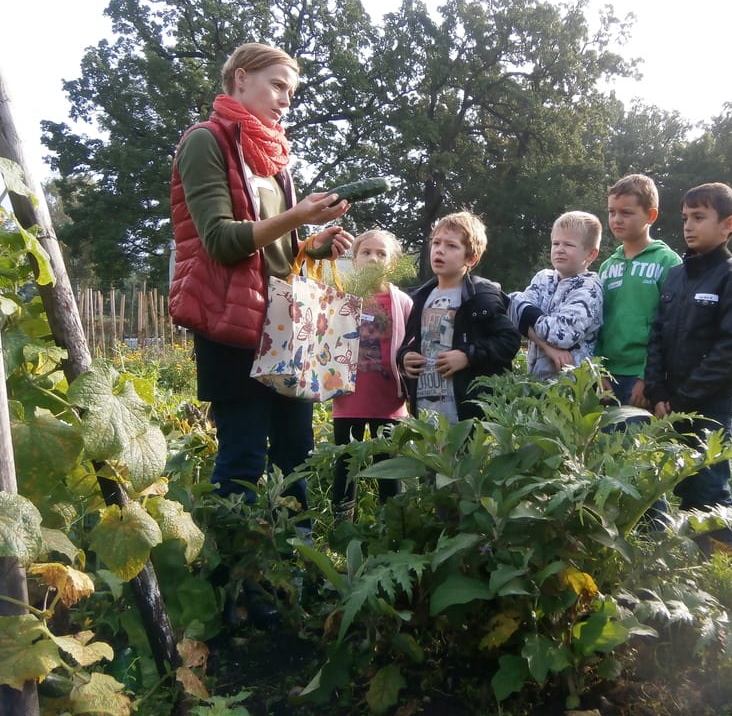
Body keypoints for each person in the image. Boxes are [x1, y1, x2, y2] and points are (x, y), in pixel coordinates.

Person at [169, 43, 352, 516]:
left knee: (295, 454)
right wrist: (295, 217)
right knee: (243, 460)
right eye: (277, 86)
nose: (285, 100)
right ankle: (242, 582)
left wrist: (312, 245)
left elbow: (275, 253)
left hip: (284, 327)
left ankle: (295, 568)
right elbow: (221, 242)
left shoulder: (273, 161)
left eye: (291, 92)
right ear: (241, 78)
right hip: (230, 325)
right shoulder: (204, 140)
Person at [643, 183, 732, 553]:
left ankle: (725, 568)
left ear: (729, 224)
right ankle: (695, 560)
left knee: (709, 484)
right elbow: (657, 335)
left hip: (711, 405)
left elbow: (729, 352)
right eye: (685, 218)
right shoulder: (676, 275)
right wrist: (658, 391)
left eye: (700, 218)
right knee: (684, 483)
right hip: (672, 401)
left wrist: (684, 398)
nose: (689, 226)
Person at [398, 211, 520, 422]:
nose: (440, 251)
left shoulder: (481, 296)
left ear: (471, 258)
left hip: (467, 415)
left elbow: (509, 341)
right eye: (436, 243)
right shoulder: (420, 297)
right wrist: (405, 357)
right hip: (426, 413)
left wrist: (468, 356)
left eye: (451, 246)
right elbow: (409, 342)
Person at [330, 230, 414, 521]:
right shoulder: (341, 299)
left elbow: (411, 346)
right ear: (354, 260)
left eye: (381, 254)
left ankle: (391, 527)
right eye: (366, 252)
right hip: (347, 399)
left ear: (392, 264)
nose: (373, 258)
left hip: (388, 402)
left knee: (388, 467)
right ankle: (342, 528)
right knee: (345, 465)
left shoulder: (403, 302)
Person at [595, 174, 682, 408]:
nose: (616, 219)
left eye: (626, 212)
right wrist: (599, 372)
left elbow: (671, 326)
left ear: (651, 215)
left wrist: (648, 377)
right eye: (612, 212)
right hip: (607, 377)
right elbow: (597, 323)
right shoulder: (606, 266)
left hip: (643, 378)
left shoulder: (668, 262)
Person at [508, 211, 603, 379]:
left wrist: (528, 313)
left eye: (568, 245)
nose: (560, 249)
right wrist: (548, 348)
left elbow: (562, 334)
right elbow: (511, 310)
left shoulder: (589, 289)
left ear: (591, 254)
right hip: (534, 382)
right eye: (556, 243)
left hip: (569, 389)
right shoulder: (543, 278)